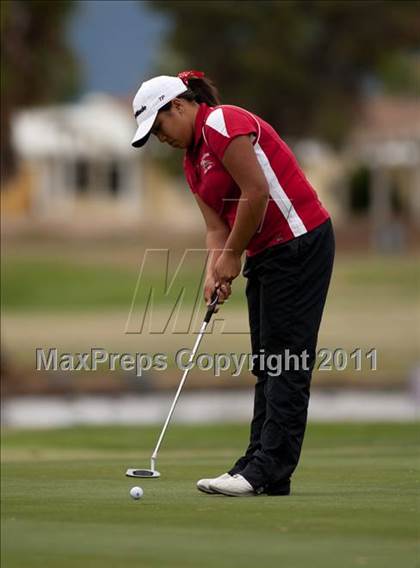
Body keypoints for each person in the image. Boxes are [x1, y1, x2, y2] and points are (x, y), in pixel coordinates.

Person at [131, 70, 335, 497]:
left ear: (181, 105)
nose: (159, 137)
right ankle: (261, 464)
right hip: (266, 253)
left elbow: (255, 192)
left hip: (298, 242)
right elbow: (214, 228)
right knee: (268, 362)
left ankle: (268, 467)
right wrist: (215, 267)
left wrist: (232, 256)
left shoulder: (221, 122)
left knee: (286, 360)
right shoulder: (192, 164)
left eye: (159, 125)